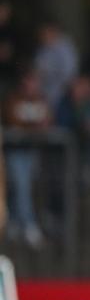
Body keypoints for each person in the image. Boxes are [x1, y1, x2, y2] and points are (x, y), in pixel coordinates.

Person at [3, 69, 52, 247]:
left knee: (25, 187)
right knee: (21, 184)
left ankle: (15, 222)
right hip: (16, 151)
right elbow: (12, 119)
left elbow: (47, 121)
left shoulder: (42, 100)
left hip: (34, 151)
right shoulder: (13, 99)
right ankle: (30, 225)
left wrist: (32, 127)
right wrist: (32, 126)